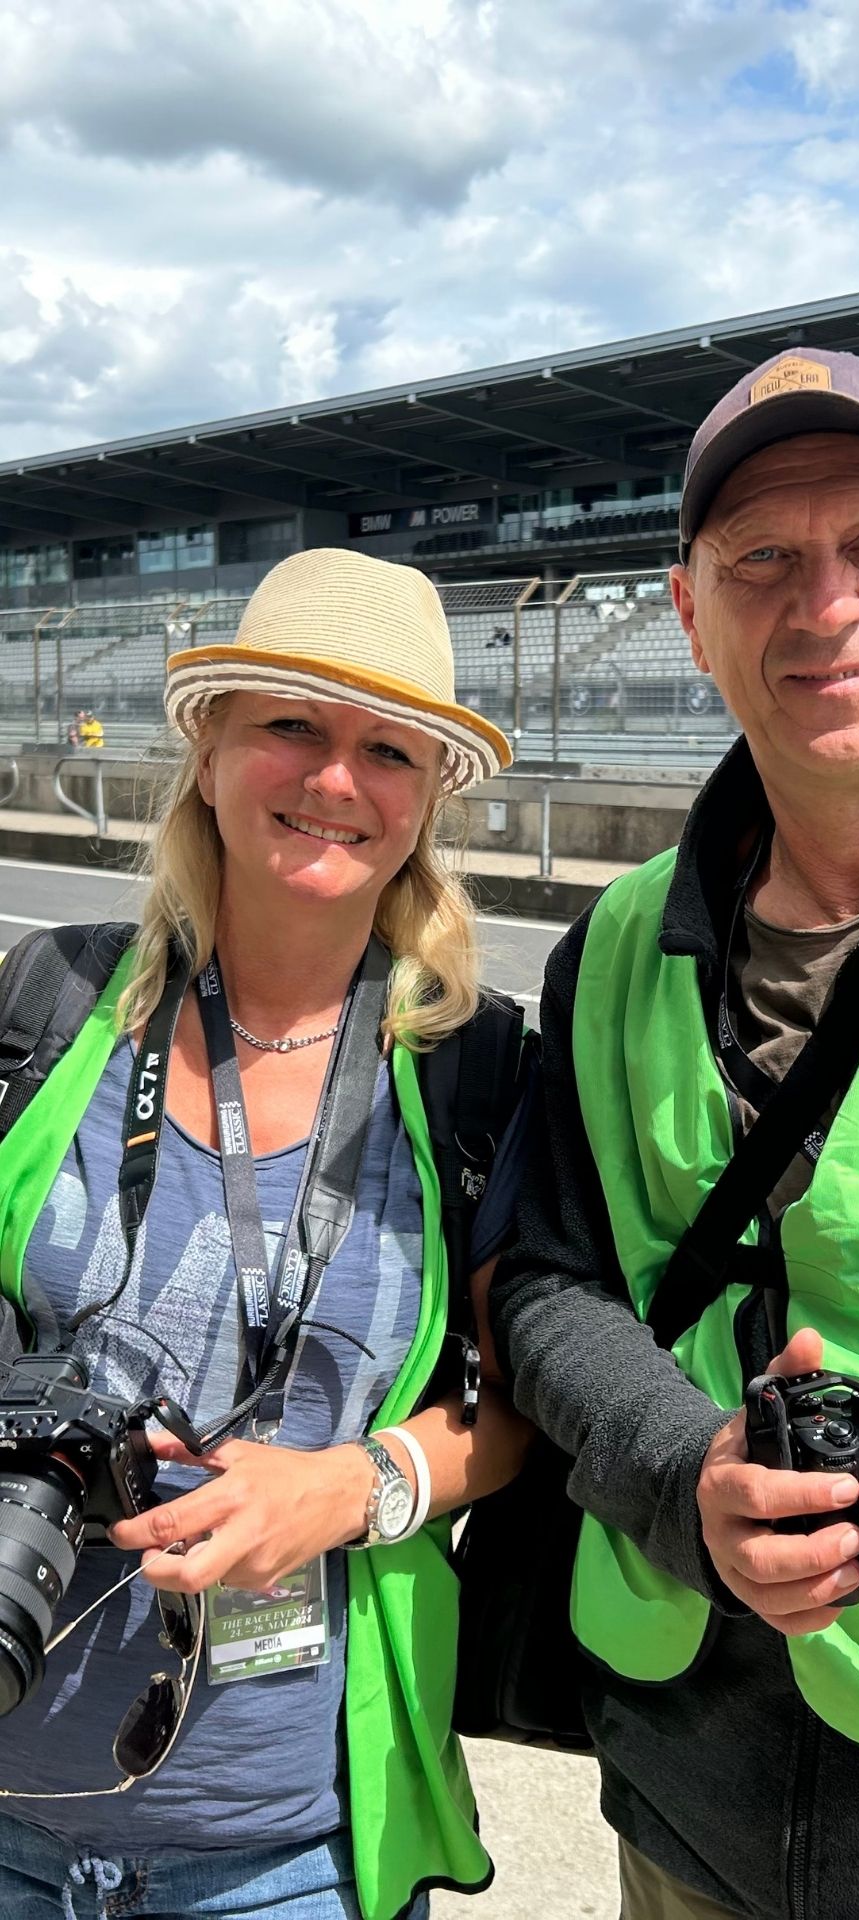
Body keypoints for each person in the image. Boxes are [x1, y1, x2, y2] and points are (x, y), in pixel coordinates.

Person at [490, 349, 859, 1920]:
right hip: (687, 1795)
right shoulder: (617, 945)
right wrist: (686, 1475)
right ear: (691, 615)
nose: (823, 605)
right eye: (761, 558)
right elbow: (546, 1282)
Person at [0, 548, 532, 1920]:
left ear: (429, 795)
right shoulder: (47, 999)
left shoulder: (477, 1069)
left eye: (388, 748)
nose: (335, 778)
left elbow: (516, 1401)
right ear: (210, 748)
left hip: (291, 1855)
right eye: (291, 724)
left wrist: (353, 1487)